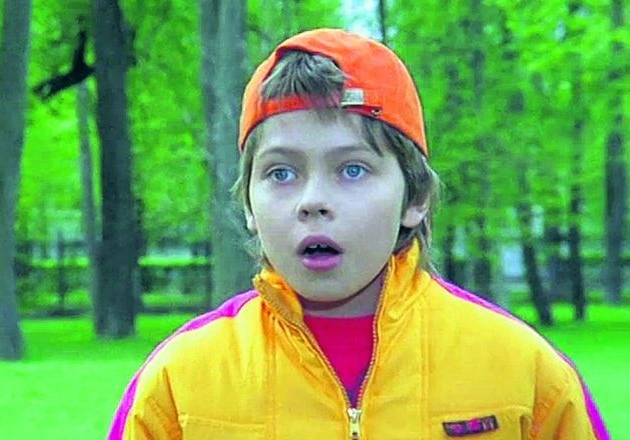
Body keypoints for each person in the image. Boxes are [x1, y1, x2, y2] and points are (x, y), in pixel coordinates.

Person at [107, 29, 609, 439]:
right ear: (249, 206)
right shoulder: (181, 382)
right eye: (281, 172)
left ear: (415, 198)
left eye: (352, 170)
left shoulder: (522, 371)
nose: (312, 200)